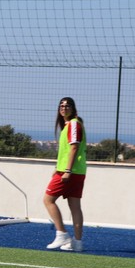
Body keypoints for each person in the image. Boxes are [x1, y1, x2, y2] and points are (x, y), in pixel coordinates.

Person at [43, 97, 86, 252]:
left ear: (73, 108)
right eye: (61, 105)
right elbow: (66, 151)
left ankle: (61, 233)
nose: (63, 108)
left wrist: (66, 170)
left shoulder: (74, 124)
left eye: (67, 105)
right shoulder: (69, 125)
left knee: (48, 200)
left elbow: (74, 148)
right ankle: (78, 243)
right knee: (75, 206)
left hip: (70, 172)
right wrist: (57, 166)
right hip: (76, 171)